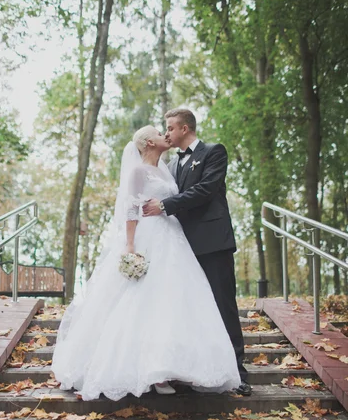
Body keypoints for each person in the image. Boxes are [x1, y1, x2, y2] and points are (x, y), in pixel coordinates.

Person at [52, 125, 241, 401]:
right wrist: (130, 245)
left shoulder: (168, 169)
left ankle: (175, 366)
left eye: (168, 129)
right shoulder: (138, 171)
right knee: (145, 300)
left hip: (174, 238)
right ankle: (150, 371)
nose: (165, 134)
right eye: (158, 131)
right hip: (148, 238)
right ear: (147, 142)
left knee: (176, 301)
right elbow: (130, 206)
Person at [143, 109, 252, 396]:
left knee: (223, 305)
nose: (166, 133)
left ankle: (239, 374)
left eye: (170, 128)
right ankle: (196, 369)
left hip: (213, 242)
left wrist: (166, 205)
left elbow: (205, 190)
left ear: (185, 128)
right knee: (192, 309)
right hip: (182, 248)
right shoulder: (174, 165)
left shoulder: (214, 152)